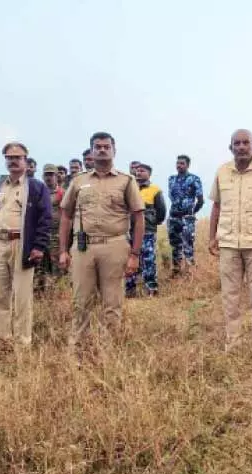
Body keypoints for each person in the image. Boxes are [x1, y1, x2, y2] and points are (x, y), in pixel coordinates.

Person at [59, 132, 145, 349]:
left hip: (114, 245)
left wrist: (134, 254)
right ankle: (77, 349)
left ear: (114, 150)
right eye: (98, 146)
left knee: (112, 303)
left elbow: (138, 217)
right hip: (83, 247)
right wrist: (63, 250)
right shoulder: (78, 181)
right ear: (91, 151)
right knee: (81, 301)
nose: (102, 150)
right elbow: (66, 215)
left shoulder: (126, 181)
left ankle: (110, 351)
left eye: (107, 146)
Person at [209, 129, 252, 363]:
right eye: (236, 143)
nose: (241, 147)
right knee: (230, 296)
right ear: (230, 148)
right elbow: (216, 207)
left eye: (245, 143)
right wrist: (212, 237)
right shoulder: (222, 171)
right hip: (228, 243)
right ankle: (233, 344)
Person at [0, 142, 52, 346]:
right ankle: (1, 340)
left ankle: (23, 342)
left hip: (22, 244)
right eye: (9, 158)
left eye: (17, 157)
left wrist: (39, 246)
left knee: (21, 297)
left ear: (26, 161)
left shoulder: (36, 187)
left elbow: (45, 218)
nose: (13, 161)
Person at [125, 163, 167, 297]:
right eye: (137, 171)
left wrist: (153, 223)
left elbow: (161, 211)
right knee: (129, 258)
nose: (138, 173)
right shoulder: (129, 188)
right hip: (129, 231)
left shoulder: (155, 190)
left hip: (147, 231)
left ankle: (151, 289)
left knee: (148, 259)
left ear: (149, 174)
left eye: (142, 171)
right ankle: (129, 290)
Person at [168, 154, 204, 276]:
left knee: (187, 245)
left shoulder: (194, 179)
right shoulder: (171, 179)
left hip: (186, 217)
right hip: (173, 216)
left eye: (182, 163)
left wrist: (192, 212)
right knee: (175, 245)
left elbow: (200, 199)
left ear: (188, 165)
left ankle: (190, 273)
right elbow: (172, 197)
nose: (179, 165)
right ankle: (176, 271)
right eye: (177, 163)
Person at [34, 164, 65, 293]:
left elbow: (67, 215)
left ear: (57, 176)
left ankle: (56, 295)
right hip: (40, 234)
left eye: (51, 174)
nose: (49, 177)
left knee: (56, 267)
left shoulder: (62, 193)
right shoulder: (38, 192)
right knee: (39, 266)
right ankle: (38, 295)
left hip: (56, 235)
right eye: (46, 174)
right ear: (42, 176)